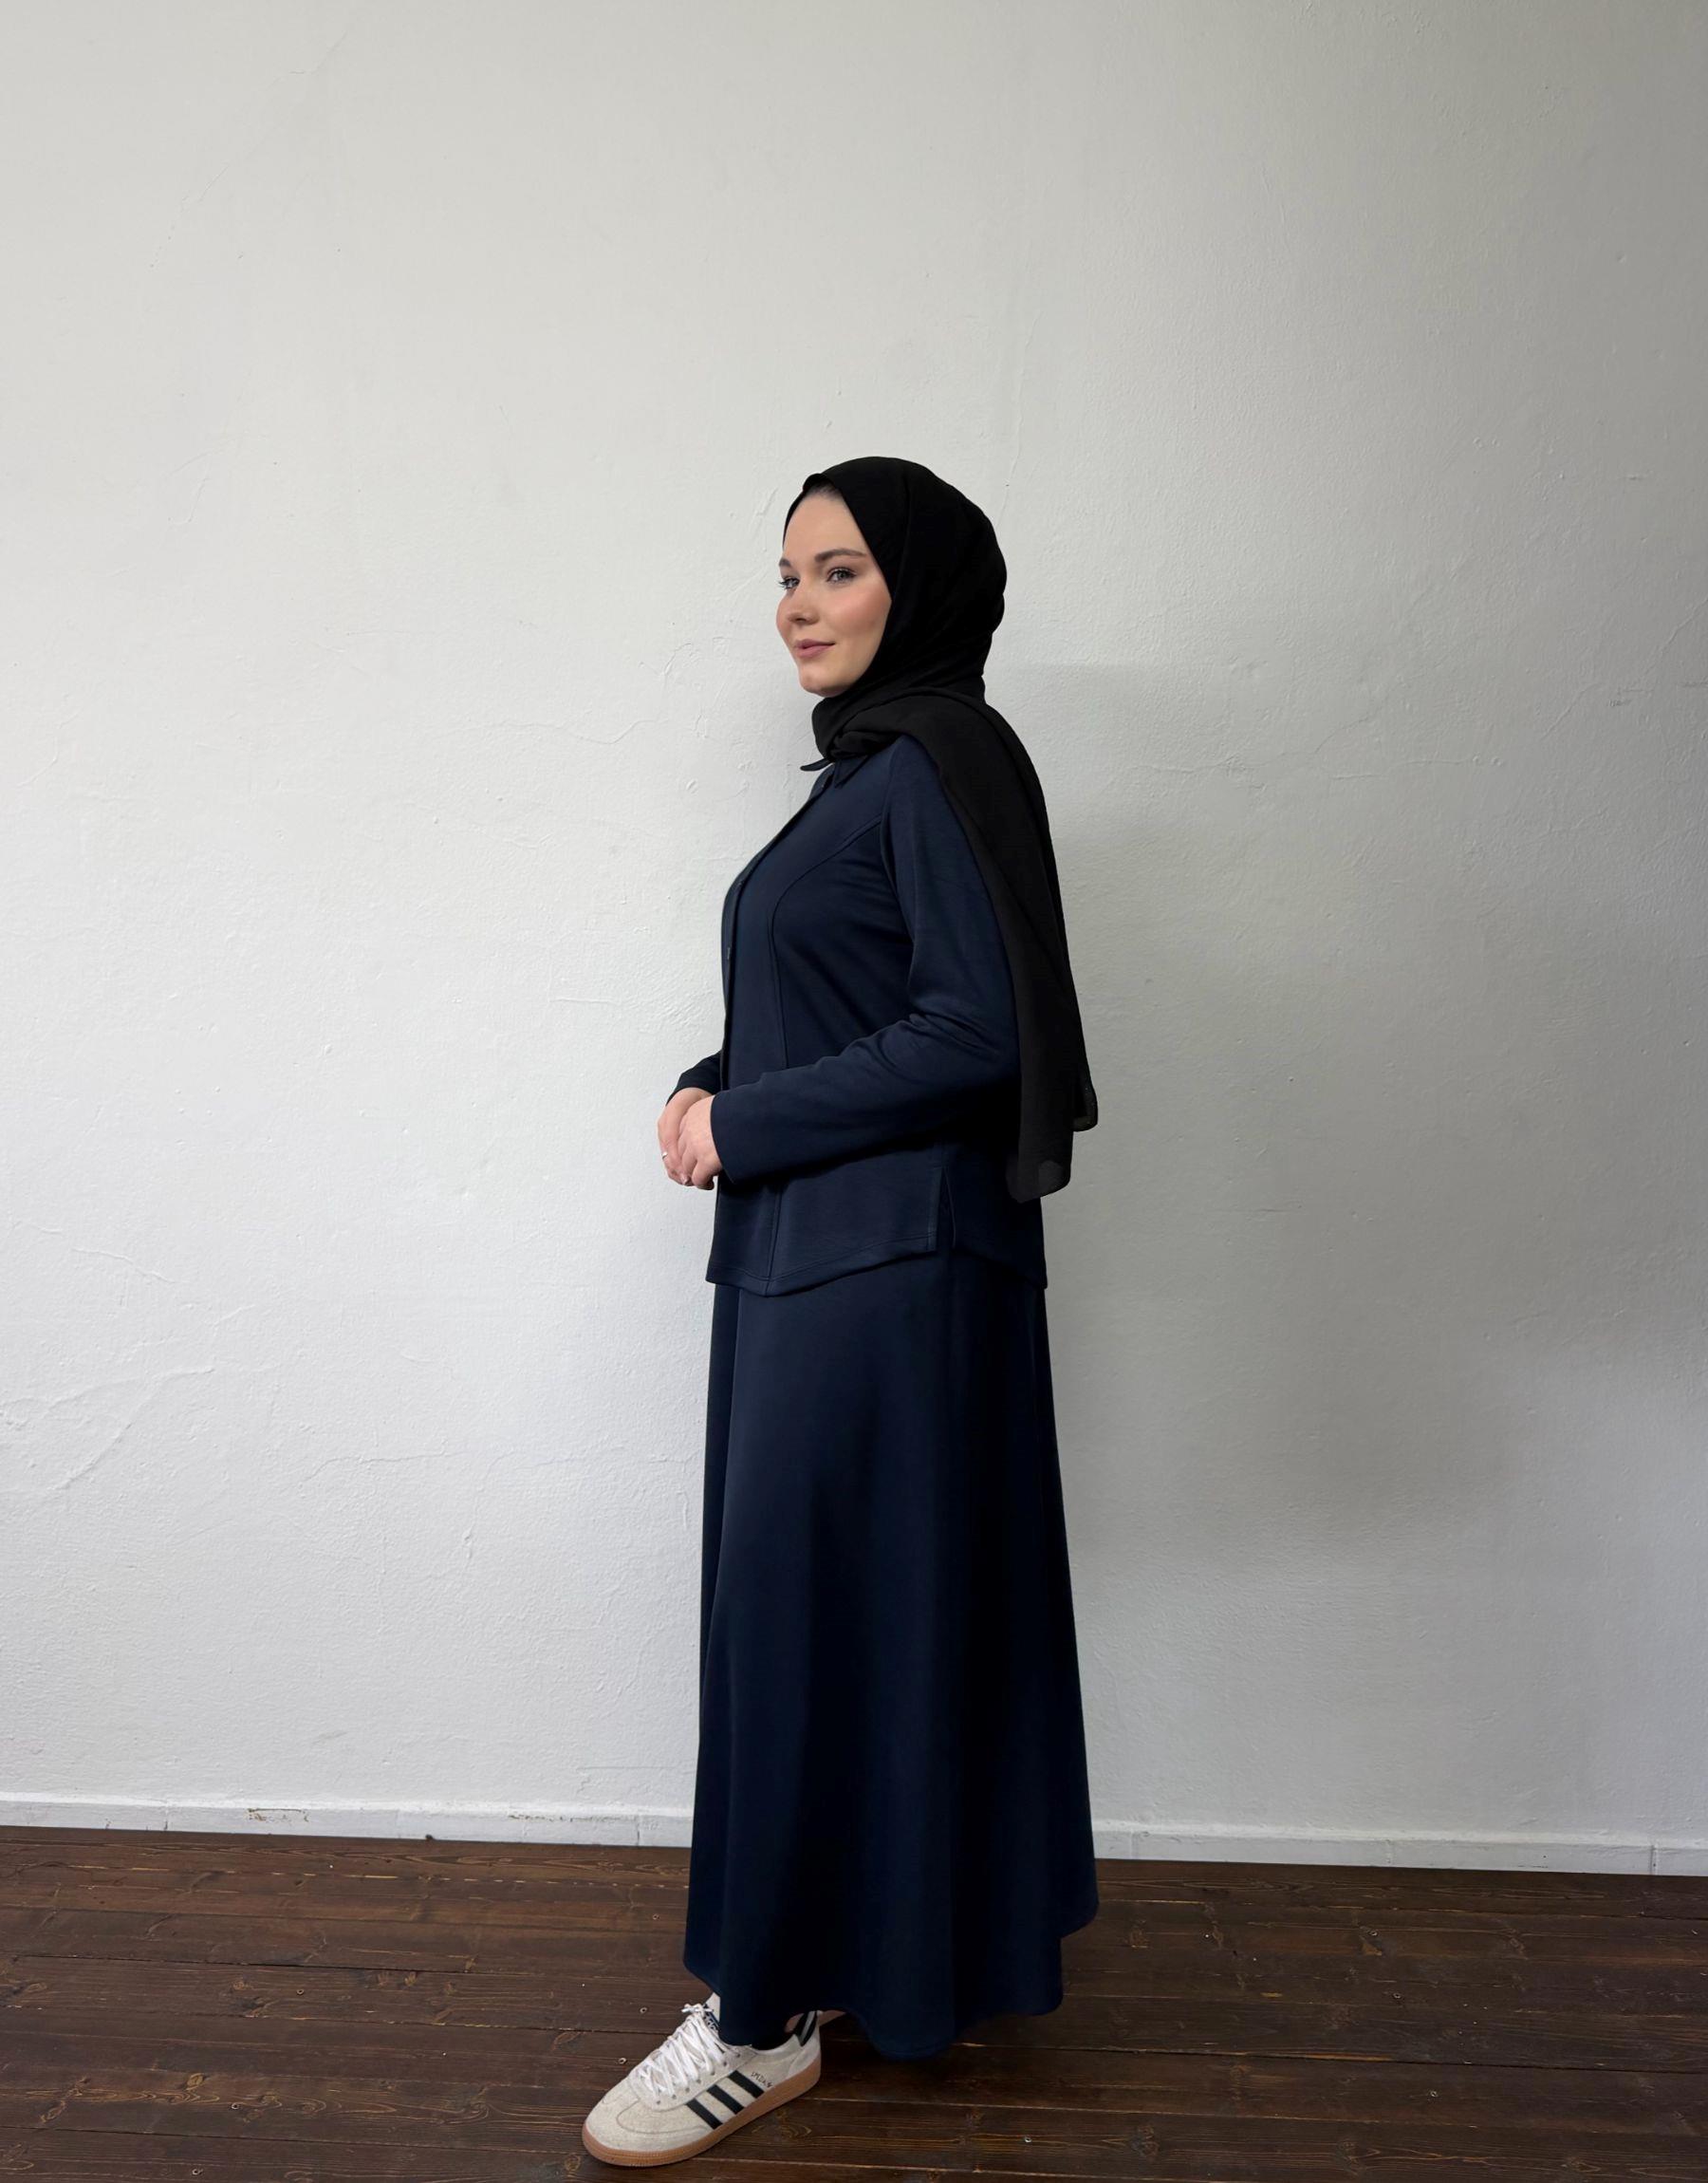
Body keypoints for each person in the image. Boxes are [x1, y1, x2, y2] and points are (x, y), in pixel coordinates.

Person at [582, 457, 1101, 2167]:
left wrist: (752, 1122)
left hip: (886, 1280)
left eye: (840, 570)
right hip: (816, 1264)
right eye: (789, 573)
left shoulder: (943, 758)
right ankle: (852, 1972)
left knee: (807, 1623)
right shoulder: (869, 777)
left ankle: (756, 2025)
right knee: (834, 1620)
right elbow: (851, 1007)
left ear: (922, 588)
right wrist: (714, 1079)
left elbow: (975, 1034)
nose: (797, 604)